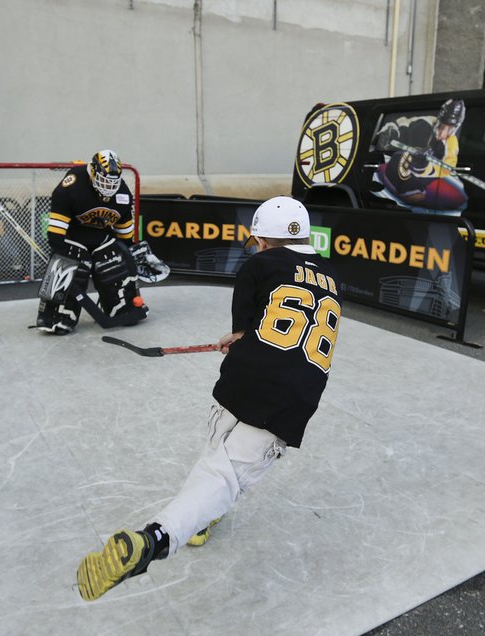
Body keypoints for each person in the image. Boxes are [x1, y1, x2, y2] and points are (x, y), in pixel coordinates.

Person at [76, 196, 343, 601]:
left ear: (265, 241)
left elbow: (244, 333)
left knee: (216, 459)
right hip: (292, 395)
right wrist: (242, 341)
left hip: (243, 379)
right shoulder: (331, 278)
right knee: (225, 476)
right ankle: (156, 539)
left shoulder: (258, 266)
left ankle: (196, 520)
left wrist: (235, 340)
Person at [35, 149, 148, 334]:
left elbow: (125, 235)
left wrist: (127, 254)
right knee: (71, 260)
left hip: (101, 236)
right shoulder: (72, 185)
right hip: (73, 235)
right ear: (93, 172)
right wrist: (63, 252)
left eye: (113, 182)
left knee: (114, 257)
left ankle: (122, 305)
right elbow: (55, 234)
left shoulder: (123, 194)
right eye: (104, 180)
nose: (108, 187)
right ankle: (56, 313)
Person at [372, 98, 469, 212]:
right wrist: (390, 131)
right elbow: (398, 124)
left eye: (449, 129)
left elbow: (445, 170)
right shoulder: (424, 122)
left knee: (418, 196)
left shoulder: (451, 146)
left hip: (409, 190)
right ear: (439, 119)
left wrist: (423, 167)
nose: (443, 134)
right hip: (386, 178)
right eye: (442, 127)